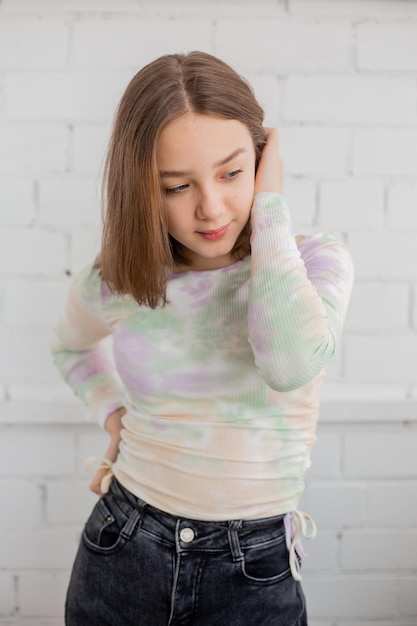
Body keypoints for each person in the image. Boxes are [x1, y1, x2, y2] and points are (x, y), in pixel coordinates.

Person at [51, 51, 353, 626]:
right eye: (177, 185)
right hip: (124, 547)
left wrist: (269, 211)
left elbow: (288, 363)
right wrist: (115, 416)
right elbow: (70, 346)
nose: (210, 207)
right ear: (142, 187)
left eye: (233, 173)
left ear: (264, 162)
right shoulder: (118, 278)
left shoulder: (316, 262)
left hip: (255, 568)